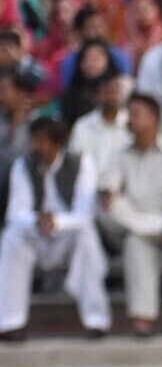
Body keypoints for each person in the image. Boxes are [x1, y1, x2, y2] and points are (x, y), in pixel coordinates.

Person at [0, 115, 111, 338]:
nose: (37, 146)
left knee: (87, 237)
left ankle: (96, 320)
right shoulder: (24, 165)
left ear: (57, 142)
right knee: (12, 237)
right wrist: (37, 220)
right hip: (37, 234)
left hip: (68, 233)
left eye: (43, 140)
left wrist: (58, 222)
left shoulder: (81, 163)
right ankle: (10, 322)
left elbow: (85, 213)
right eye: (35, 140)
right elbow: (15, 212)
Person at [97, 92, 162, 335]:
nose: (130, 120)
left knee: (142, 231)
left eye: (136, 114)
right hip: (138, 229)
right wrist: (112, 199)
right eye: (129, 114)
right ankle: (142, 320)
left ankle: (154, 225)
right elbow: (109, 193)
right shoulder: (120, 155)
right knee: (132, 239)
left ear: (155, 119)